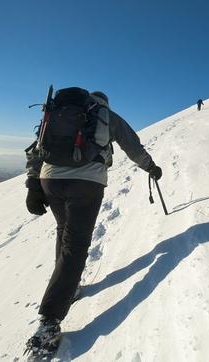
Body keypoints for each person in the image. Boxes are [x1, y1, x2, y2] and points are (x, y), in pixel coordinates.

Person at [23, 89, 162, 356]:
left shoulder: (56, 115)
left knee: (64, 233)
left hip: (50, 181)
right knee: (75, 244)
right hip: (86, 183)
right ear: (103, 103)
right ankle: (49, 322)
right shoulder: (106, 116)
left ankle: (68, 286)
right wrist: (151, 167)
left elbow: (37, 149)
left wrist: (33, 185)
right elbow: (132, 146)